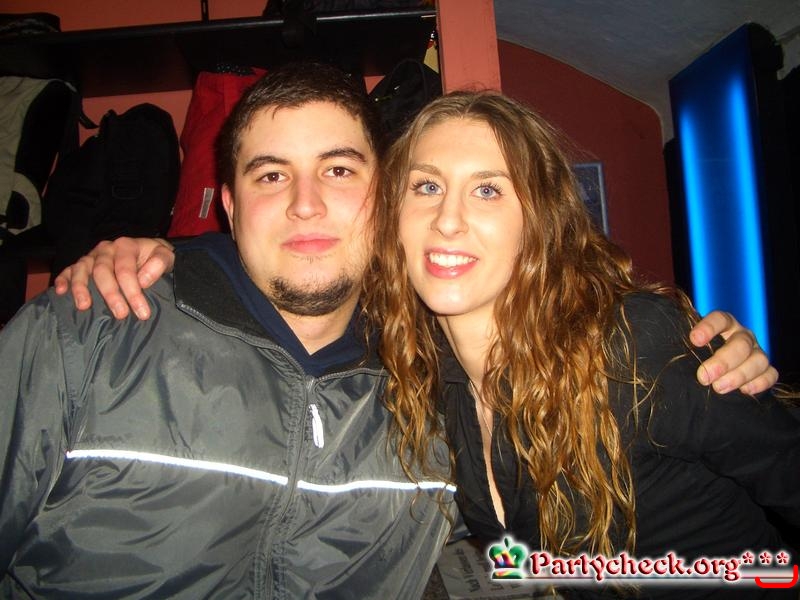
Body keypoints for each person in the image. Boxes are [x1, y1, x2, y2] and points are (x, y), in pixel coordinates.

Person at [0, 62, 457, 599]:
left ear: (384, 197)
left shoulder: (438, 386)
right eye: (272, 176)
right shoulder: (89, 331)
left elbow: (520, 554)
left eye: (338, 170)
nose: (305, 204)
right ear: (231, 208)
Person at [368, 90, 800, 598]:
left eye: (487, 190)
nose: (447, 219)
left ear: (540, 222)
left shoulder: (631, 343)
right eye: (426, 186)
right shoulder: (434, 377)